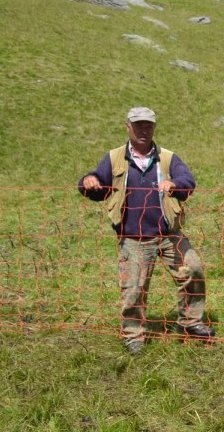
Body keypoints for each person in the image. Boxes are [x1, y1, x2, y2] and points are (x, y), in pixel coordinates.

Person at [78, 107, 214, 354]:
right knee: (134, 288)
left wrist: (174, 183)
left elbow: (188, 182)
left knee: (193, 268)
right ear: (127, 126)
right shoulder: (114, 158)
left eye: (148, 125)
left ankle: (191, 324)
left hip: (168, 233)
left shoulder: (168, 158)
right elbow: (96, 183)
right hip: (133, 237)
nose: (144, 130)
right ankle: (133, 336)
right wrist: (88, 181)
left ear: (154, 127)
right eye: (138, 125)